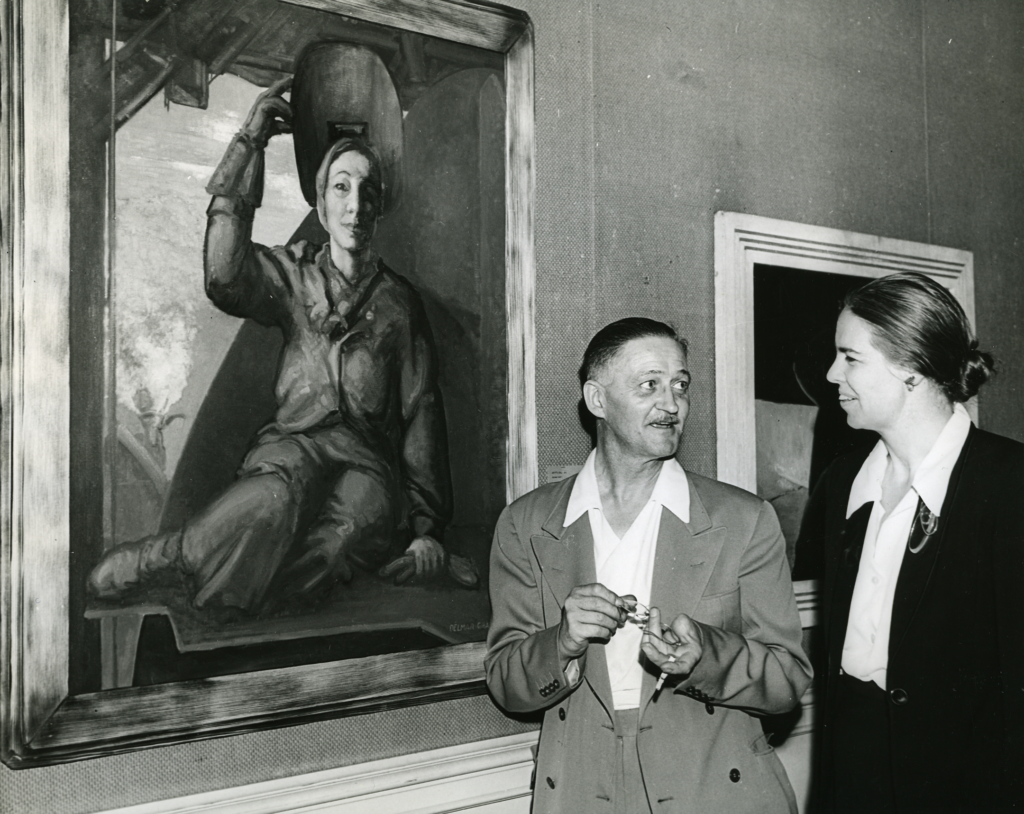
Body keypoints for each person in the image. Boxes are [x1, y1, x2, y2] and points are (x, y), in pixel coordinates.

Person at [89, 79, 476, 613]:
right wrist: (249, 141)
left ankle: (245, 608)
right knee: (269, 503)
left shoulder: (399, 306)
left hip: (367, 468)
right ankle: (171, 556)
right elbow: (223, 277)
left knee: (342, 537)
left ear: (380, 206)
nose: (354, 206)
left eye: (367, 191)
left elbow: (420, 413)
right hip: (290, 447)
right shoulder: (293, 274)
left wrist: (428, 528)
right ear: (320, 203)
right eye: (341, 188)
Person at [485, 317, 812, 814]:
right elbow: (507, 682)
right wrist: (562, 643)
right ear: (597, 400)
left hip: (713, 785)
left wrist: (705, 656)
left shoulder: (743, 519)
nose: (671, 403)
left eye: (680, 384)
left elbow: (788, 679)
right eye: (649, 385)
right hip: (580, 785)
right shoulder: (526, 525)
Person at [805, 271, 1024, 812]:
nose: (832, 373)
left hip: (963, 784)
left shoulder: (1009, 484)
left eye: (850, 357)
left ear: (911, 368)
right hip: (852, 770)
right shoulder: (843, 482)